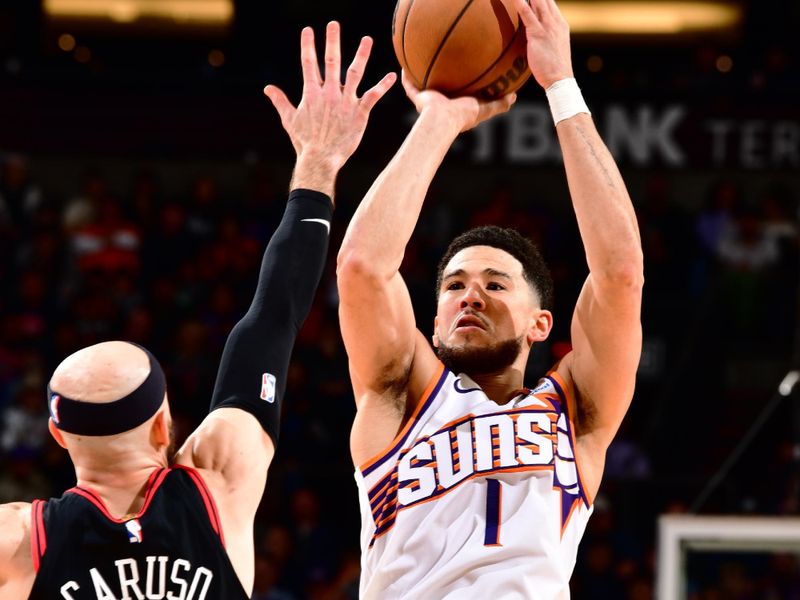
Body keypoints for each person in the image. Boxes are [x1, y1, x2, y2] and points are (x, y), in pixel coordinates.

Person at [0, 22, 395, 599]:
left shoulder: (17, 540)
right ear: (165, 423)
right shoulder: (220, 483)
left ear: (58, 436)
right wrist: (318, 161)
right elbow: (273, 315)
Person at [336, 0, 643, 597]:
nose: (469, 295)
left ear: (540, 323)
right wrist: (441, 119)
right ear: (434, 318)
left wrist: (561, 86)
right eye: (453, 286)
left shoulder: (576, 411)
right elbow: (362, 268)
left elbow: (620, 272)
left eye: (495, 285)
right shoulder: (400, 392)